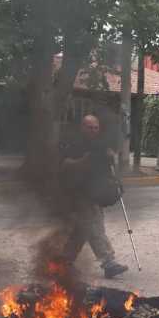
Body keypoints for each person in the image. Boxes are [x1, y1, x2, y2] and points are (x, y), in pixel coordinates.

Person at [59, 114, 129, 278]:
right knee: (94, 224)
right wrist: (81, 162)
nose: (93, 130)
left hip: (95, 192)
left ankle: (63, 262)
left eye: (95, 127)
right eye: (89, 127)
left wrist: (112, 159)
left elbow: (109, 167)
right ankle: (108, 262)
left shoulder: (100, 145)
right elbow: (63, 164)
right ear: (83, 127)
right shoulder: (74, 144)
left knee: (83, 229)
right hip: (78, 191)